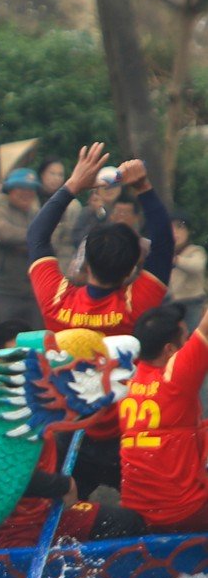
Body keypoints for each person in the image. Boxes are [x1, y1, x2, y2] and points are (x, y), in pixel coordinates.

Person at [27, 144, 173, 495]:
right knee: (142, 515)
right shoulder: (135, 303)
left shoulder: (56, 299)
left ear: (86, 264)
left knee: (65, 513)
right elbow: (165, 245)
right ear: (131, 271)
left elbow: (36, 236)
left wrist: (72, 185)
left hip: (68, 431)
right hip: (126, 432)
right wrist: (144, 188)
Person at [113, 303, 208, 536]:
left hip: (137, 512)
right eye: (185, 339)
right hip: (185, 513)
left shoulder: (124, 379)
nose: (188, 345)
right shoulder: (175, 376)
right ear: (168, 349)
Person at [0, 167, 45, 333]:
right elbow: (0, 231)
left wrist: (24, 243)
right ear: (10, 189)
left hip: (33, 291)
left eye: (31, 189)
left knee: (35, 342)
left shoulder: (36, 212)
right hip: (5, 289)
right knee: (4, 339)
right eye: (21, 188)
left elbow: (50, 238)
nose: (26, 193)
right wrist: (32, 239)